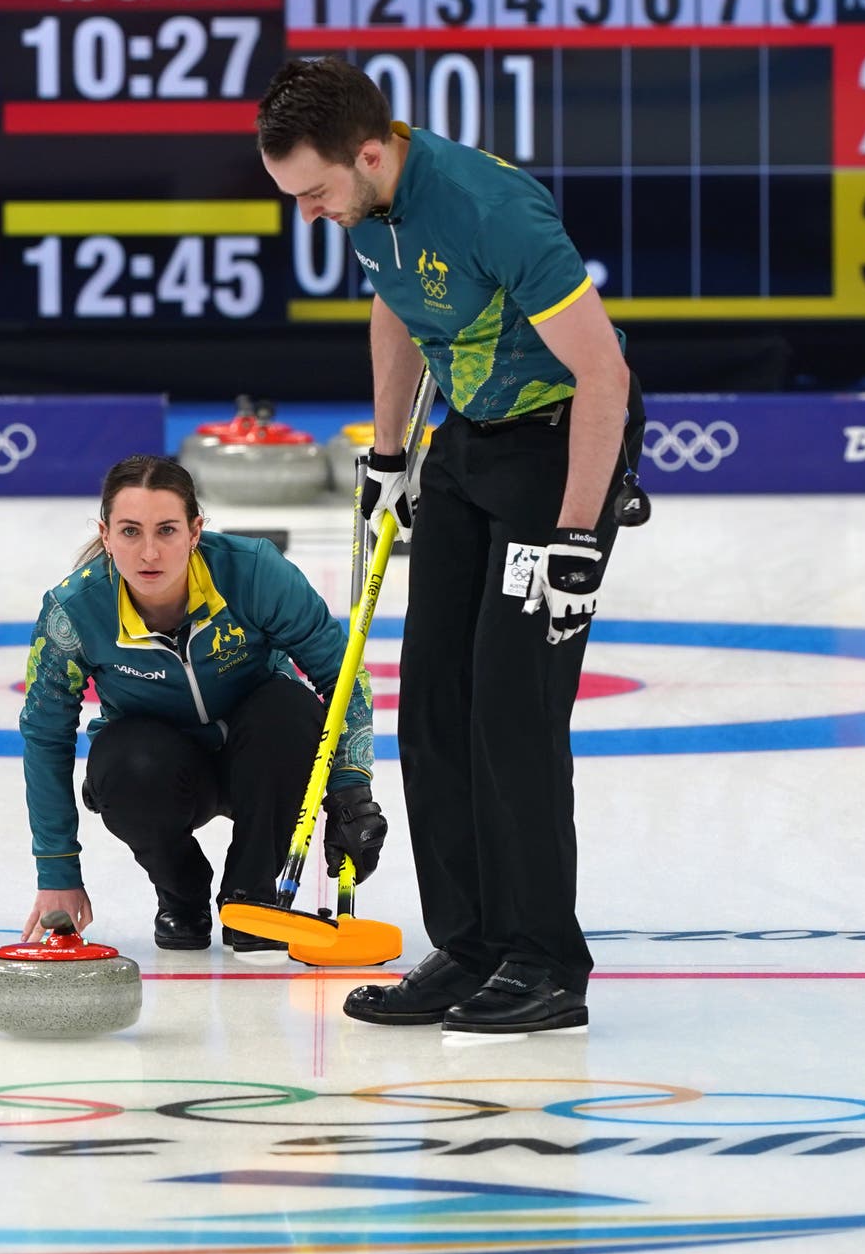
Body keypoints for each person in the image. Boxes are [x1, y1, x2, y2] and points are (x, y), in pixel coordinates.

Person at [256, 57, 647, 1032]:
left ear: (372, 152)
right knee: (432, 702)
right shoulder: (371, 210)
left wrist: (573, 537)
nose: (308, 212)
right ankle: (470, 944)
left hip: (560, 448)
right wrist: (389, 451)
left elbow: (604, 373)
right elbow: (397, 305)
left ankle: (546, 958)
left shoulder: (489, 208)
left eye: (314, 191)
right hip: (465, 443)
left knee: (512, 710)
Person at [18, 454, 388, 951]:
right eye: (130, 532)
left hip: (261, 762)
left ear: (195, 531)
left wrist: (351, 791)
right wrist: (57, 869)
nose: (150, 552)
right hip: (160, 774)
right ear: (105, 535)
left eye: (166, 530)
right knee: (124, 761)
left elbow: (344, 679)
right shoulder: (74, 612)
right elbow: (45, 734)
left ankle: (250, 898)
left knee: (291, 708)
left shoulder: (255, 573)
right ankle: (180, 897)